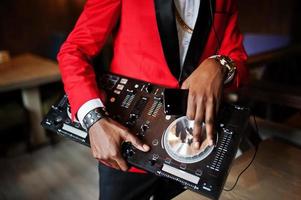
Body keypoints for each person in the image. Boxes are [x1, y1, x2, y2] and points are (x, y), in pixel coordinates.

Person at [57, 0, 248, 199]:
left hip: (192, 147)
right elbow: (74, 50)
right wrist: (93, 120)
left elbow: (239, 61)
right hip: (126, 144)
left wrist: (220, 65)